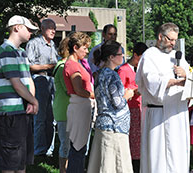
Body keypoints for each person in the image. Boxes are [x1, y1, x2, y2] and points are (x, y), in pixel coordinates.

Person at [135, 22, 190, 173]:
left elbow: (189, 75)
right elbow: (150, 80)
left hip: (177, 113)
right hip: (158, 114)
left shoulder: (177, 56)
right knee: (158, 157)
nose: (173, 43)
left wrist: (185, 75)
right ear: (160, 36)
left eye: (175, 40)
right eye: (170, 39)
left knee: (177, 155)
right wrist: (173, 82)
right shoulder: (150, 55)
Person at [0, 15, 39, 173]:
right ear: (17, 28)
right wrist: (35, 101)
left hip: (22, 111)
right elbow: (17, 84)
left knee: (21, 161)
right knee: (10, 162)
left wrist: (31, 103)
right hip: (10, 114)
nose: (31, 33)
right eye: (28, 29)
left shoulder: (21, 53)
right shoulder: (5, 51)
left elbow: (28, 80)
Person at [87, 40, 134, 173]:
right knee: (115, 166)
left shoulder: (100, 74)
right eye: (120, 54)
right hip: (115, 127)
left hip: (103, 124)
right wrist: (127, 94)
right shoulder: (113, 76)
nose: (123, 57)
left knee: (102, 164)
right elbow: (118, 103)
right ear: (111, 57)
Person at [62, 32, 94, 173]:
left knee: (79, 147)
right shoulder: (73, 66)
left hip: (81, 107)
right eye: (85, 48)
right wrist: (95, 95)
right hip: (79, 107)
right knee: (78, 148)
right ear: (76, 47)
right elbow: (79, 90)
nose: (87, 52)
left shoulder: (75, 64)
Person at [26, 18, 58, 157]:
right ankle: (39, 150)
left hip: (52, 80)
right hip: (39, 79)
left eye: (54, 28)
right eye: (50, 27)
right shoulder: (34, 43)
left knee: (52, 117)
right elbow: (29, 66)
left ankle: (49, 150)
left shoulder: (53, 45)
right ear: (42, 29)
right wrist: (48, 66)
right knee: (40, 117)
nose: (53, 30)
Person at [117, 42, 148, 173]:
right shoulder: (123, 70)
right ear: (135, 55)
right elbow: (120, 92)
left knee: (140, 142)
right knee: (133, 143)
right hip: (131, 109)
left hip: (141, 107)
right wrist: (136, 91)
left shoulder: (138, 69)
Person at [52, 37, 70, 173]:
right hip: (64, 110)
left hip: (65, 108)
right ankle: (63, 170)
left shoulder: (62, 65)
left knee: (67, 143)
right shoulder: (63, 67)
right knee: (65, 144)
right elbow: (69, 90)